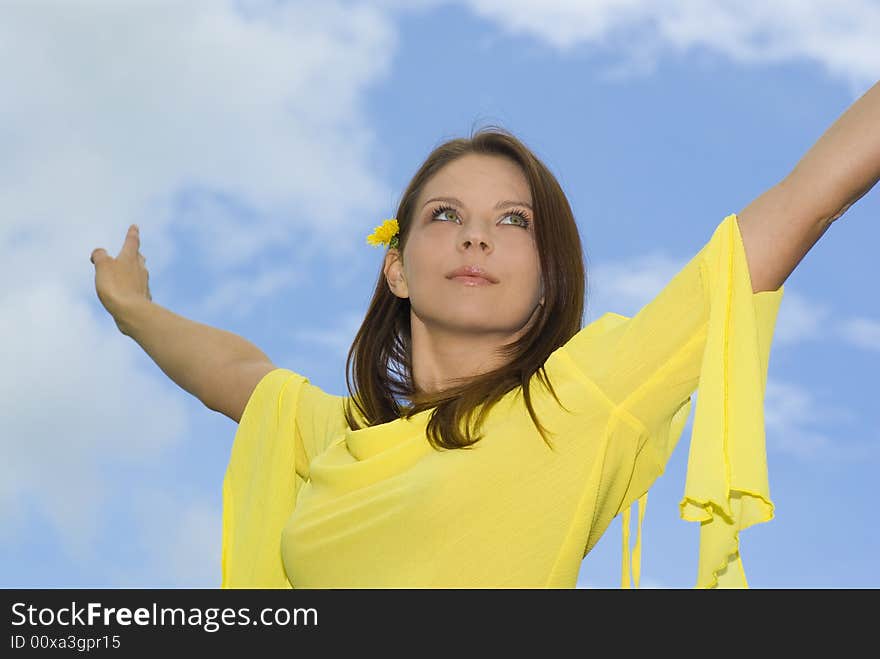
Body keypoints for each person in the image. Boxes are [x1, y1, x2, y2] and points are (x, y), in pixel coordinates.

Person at [90, 82, 879, 587]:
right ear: (396, 267)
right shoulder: (339, 437)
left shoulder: (579, 403)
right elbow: (234, 370)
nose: (476, 238)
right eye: (445, 215)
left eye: (512, 220)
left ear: (547, 278)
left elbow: (798, 205)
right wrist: (132, 309)